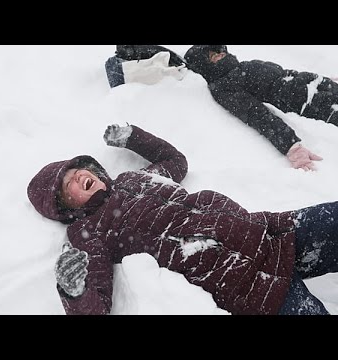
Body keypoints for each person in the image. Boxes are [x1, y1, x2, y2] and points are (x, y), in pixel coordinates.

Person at [27, 123, 337, 315]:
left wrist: (134, 137)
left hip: (269, 232)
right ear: (67, 209)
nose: (77, 176)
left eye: (76, 170)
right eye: (67, 185)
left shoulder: (134, 178)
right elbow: (96, 307)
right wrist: (74, 291)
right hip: (249, 286)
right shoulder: (87, 232)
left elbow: (175, 161)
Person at [183, 45, 338, 171]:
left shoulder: (245, 65)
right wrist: (291, 147)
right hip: (307, 102)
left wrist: (322, 81)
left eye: (217, 51)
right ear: (205, 67)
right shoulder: (224, 87)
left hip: (316, 87)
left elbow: (287, 73)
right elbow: (257, 115)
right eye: (211, 57)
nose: (219, 55)